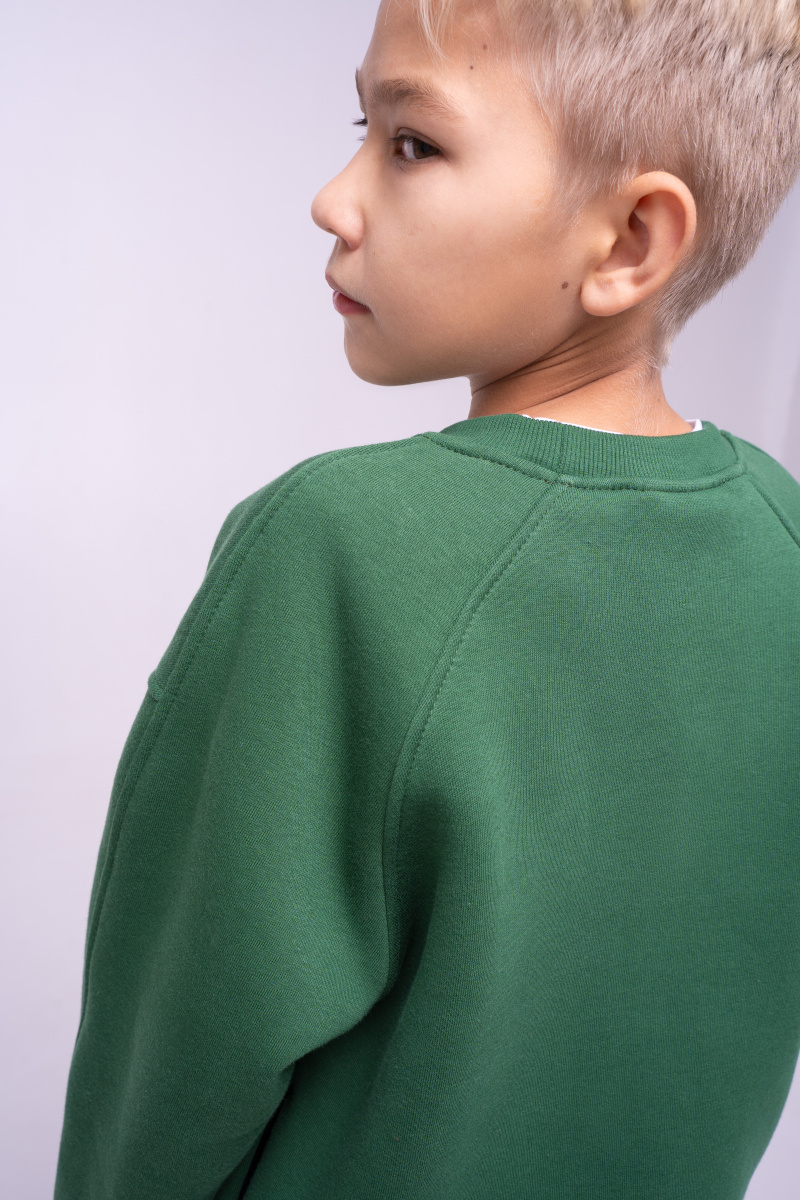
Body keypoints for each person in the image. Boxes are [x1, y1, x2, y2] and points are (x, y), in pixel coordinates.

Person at [55, 1, 800, 1197]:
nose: (332, 199)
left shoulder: (337, 549)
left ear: (627, 240)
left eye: (411, 144)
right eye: (361, 128)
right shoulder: (781, 543)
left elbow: (174, 1070)